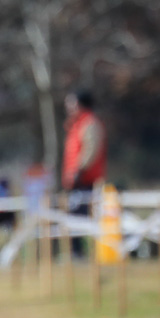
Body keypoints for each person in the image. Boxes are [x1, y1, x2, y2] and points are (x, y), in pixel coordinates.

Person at [61, 89, 107, 257]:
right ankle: (76, 251)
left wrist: (78, 171)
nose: (68, 107)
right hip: (76, 180)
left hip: (86, 180)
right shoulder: (76, 124)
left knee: (85, 217)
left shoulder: (89, 123)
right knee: (74, 217)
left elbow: (91, 149)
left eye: (71, 103)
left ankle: (84, 252)